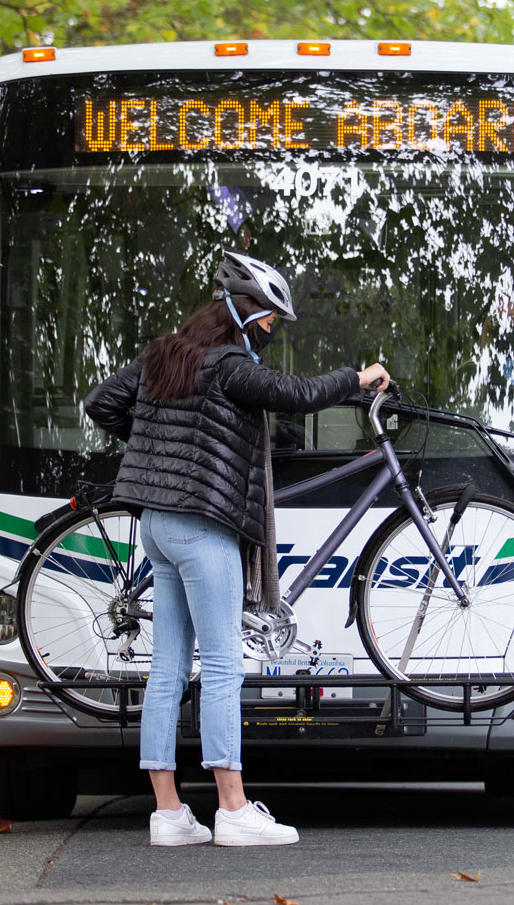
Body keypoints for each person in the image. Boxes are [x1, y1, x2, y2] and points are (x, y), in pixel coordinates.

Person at [83, 250, 391, 847]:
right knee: (223, 665)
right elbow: (295, 394)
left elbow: (102, 404)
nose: (272, 332)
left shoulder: (160, 355)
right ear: (241, 314)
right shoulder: (228, 367)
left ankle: (168, 814)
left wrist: (155, 450)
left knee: (168, 668)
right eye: (269, 320)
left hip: (157, 525)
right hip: (202, 528)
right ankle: (231, 809)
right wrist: (357, 378)